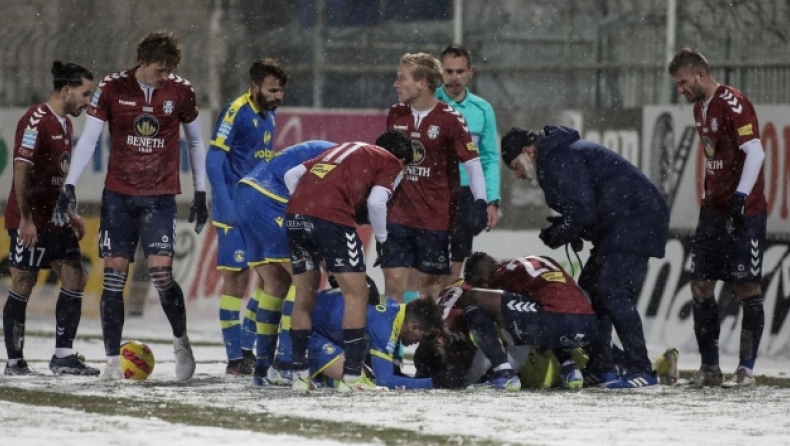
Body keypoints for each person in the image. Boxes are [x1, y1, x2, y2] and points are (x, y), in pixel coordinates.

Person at [51, 31, 208, 381]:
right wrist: (70, 185)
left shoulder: (181, 90)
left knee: (162, 274)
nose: (165, 76)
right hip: (119, 196)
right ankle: (111, 360)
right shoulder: (112, 87)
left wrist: (200, 191)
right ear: (143, 62)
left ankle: (181, 342)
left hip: (160, 196)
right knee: (113, 278)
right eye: (160, 70)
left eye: (170, 70)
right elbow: (89, 138)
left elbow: (195, 141)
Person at [500, 125, 669, 389]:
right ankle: (602, 369)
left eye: (515, 166)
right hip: (624, 222)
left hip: (637, 219)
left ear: (527, 152)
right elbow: (587, 207)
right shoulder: (556, 156)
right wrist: (567, 226)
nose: (518, 174)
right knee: (590, 291)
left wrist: (564, 231)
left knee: (612, 290)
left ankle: (641, 369)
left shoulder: (557, 158)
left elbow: (583, 211)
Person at [284, 130, 413, 392]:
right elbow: (377, 202)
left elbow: (292, 175)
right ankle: (353, 379)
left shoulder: (340, 149)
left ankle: (299, 375)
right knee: (357, 293)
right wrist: (382, 238)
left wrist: (307, 204)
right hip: (331, 219)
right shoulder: (392, 162)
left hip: (295, 216)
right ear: (402, 159)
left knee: (303, 297)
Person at [669, 47, 766, 388]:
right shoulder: (700, 108)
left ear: (700, 74)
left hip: (744, 211)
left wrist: (740, 198)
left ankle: (746, 369)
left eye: (682, 82)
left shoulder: (733, 103)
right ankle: (710, 367)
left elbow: (755, 151)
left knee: (746, 287)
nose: (680, 89)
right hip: (712, 211)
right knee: (701, 286)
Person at [3, 61, 98, 376]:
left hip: (56, 217)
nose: (88, 101)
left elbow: (55, 176)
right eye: (86, 94)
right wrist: (26, 220)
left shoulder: (66, 124)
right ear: (67, 90)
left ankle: (63, 355)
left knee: (74, 275)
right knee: (23, 282)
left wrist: (69, 213)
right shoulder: (35, 120)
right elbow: (21, 170)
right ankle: (15, 362)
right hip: (30, 220)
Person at [383, 52, 488, 302]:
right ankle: (390, 342)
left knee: (429, 289)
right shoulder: (396, 114)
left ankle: (424, 340)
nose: (396, 84)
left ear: (422, 83)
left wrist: (481, 202)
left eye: (402, 78)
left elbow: (473, 164)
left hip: (435, 219)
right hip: (398, 215)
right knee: (393, 283)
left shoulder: (451, 120)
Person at [206, 58, 288, 376]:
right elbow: (214, 161)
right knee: (237, 280)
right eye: (272, 90)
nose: (277, 96)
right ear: (254, 87)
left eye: (281, 90)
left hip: (258, 207)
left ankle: (246, 347)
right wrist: (226, 208)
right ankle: (234, 358)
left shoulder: (269, 115)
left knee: (272, 278)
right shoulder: (236, 111)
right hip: (234, 208)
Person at [233, 139, 336, 385]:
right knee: (306, 280)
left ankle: (262, 369)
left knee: (275, 283)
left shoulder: (335, 151)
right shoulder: (347, 163)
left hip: (245, 193)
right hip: (270, 197)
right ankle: (285, 363)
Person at [433, 252, 598, 391]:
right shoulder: (531, 264)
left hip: (553, 322)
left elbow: (487, 299)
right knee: (549, 308)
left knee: (472, 299)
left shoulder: (500, 277)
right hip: (588, 326)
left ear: (482, 279)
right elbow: (581, 297)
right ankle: (570, 369)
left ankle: (503, 373)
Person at [272, 278, 444, 390]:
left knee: (363, 372)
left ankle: (318, 373)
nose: (416, 343)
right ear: (413, 327)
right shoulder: (385, 327)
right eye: (422, 336)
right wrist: (434, 383)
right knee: (358, 379)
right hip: (309, 333)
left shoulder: (392, 306)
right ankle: (313, 372)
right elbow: (385, 381)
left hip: (304, 318)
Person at [435, 45, 501, 289]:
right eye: (449, 71)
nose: (454, 77)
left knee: (454, 267)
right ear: (440, 72)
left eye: (460, 71)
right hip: (433, 192)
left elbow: (489, 157)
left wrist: (492, 199)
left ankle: (441, 321)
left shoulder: (482, 109)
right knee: (426, 266)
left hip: (465, 194)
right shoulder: (427, 103)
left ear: (470, 72)